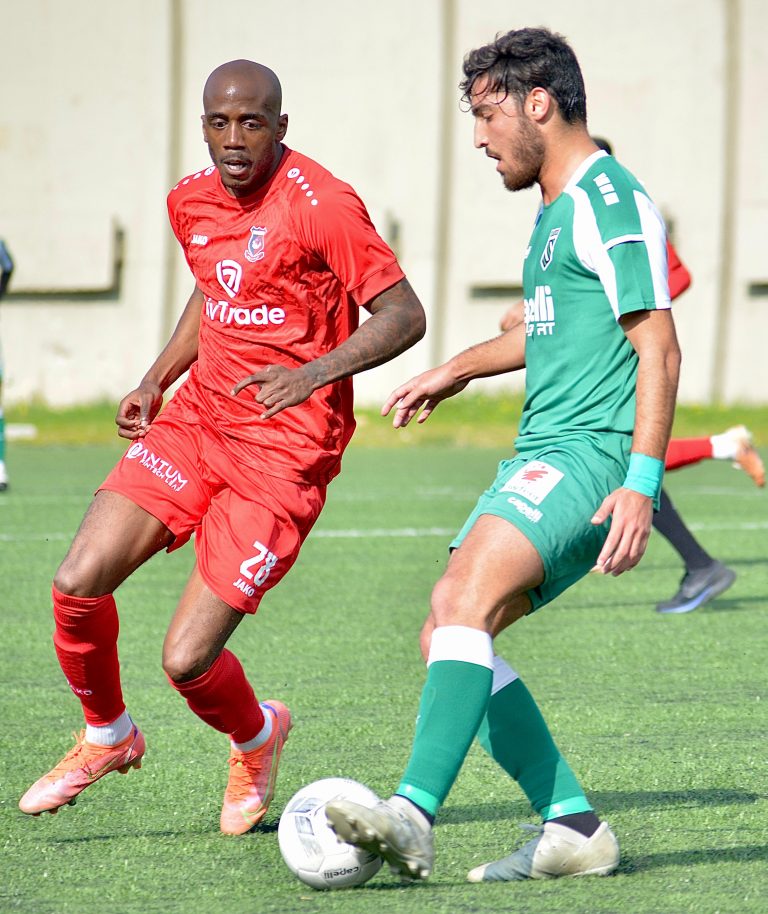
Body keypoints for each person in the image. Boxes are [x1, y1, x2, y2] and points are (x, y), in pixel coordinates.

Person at [18, 59, 426, 833]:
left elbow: (405, 315)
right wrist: (156, 378)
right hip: (199, 421)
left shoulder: (323, 206)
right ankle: (107, 735)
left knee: (187, 661)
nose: (234, 139)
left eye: (251, 123)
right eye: (219, 122)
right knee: (76, 582)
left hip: (283, 455)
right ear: (203, 125)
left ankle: (257, 736)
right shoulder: (189, 199)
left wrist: (313, 373)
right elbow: (217, 287)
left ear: (280, 126)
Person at [326, 27, 681, 883]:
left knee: (460, 599)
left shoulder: (608, 200)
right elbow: (552, 332)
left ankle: (412, 815)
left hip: (589, 457)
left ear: (539, 103)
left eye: (489, 116)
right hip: (549, 450)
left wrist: (641, 485)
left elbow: (659, 348)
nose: (481, 138)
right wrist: (455, 368)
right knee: (449, 631)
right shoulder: (557, 208)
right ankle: (574, 826)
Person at [499, 136, 765, 615]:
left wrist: (626, 308)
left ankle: (714, 487)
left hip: (627, 352)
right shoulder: (563, 213)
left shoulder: (616, 210)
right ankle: (702, 551)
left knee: (626, 456)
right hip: (591, 359)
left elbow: (677, 276)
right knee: (625, 461)